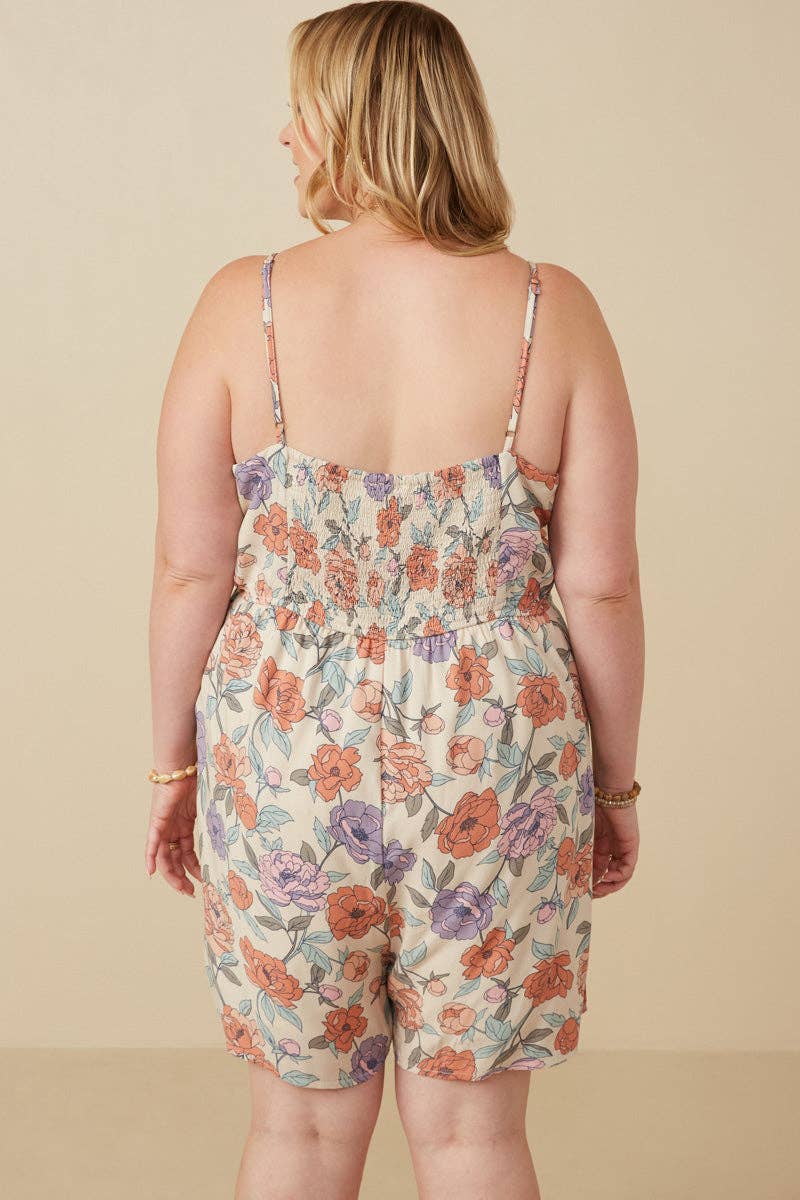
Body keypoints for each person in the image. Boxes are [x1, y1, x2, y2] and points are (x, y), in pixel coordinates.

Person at [145, 3, 644, 1197]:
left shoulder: (243, 303)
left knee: (298, 1134)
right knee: (474, 1137)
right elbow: (600, 584)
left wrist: (174, 768)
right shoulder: (551, 309)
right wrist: (612, 788)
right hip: (499, 752)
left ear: (354, 121)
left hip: (283, 751)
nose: (285, 134)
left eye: (301, 109)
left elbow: (191, 571)